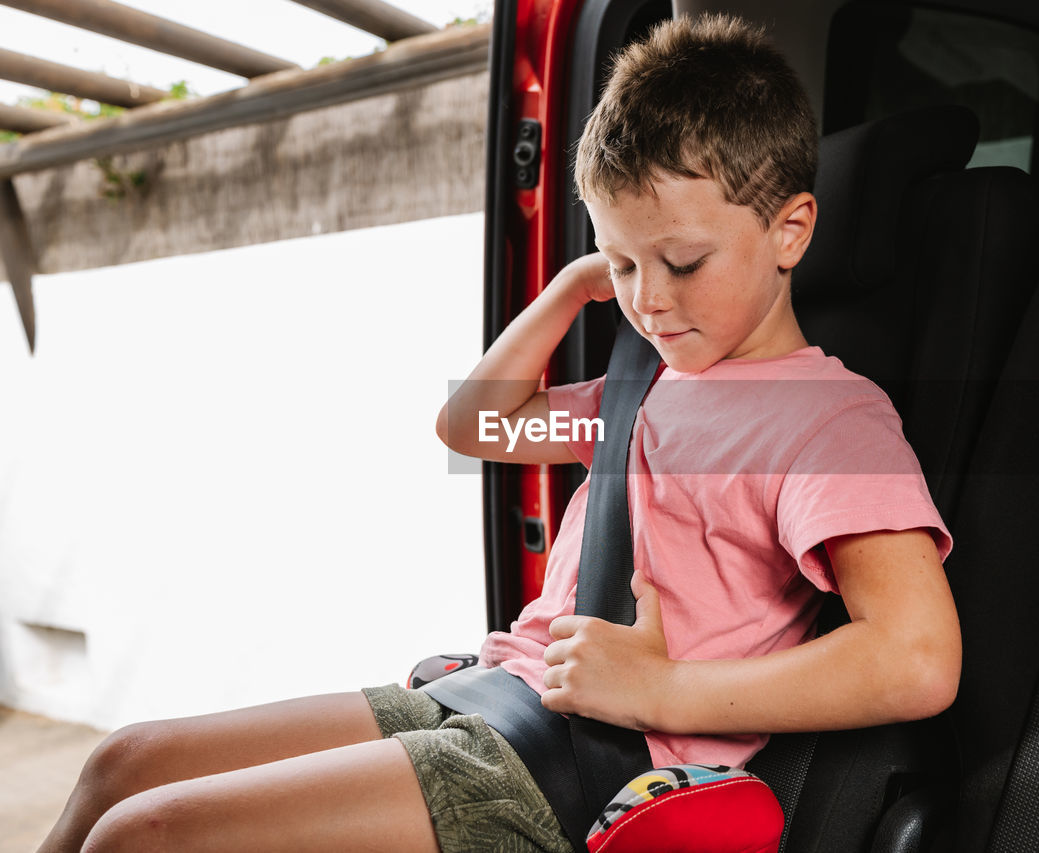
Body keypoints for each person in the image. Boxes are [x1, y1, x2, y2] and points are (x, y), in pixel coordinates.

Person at [41, 14, 961, 853]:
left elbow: (916, 658)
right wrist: (569, 288)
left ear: (792, 228)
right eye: (625, 261)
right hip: (482, 693)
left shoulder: (828, 418)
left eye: (682, 261)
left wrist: (660, 690)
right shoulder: (641, 384)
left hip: (574, 761)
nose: (648, 298)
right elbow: (472, 424)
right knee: (122, 763)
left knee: (148, 834)